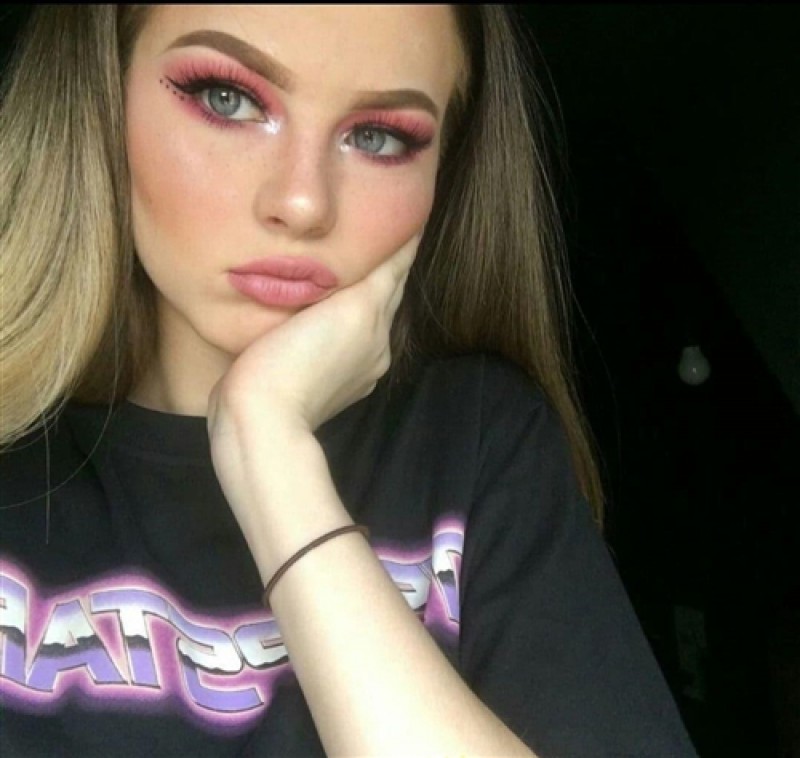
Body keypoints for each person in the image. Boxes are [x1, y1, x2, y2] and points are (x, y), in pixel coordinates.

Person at [0, 5, 696, 756]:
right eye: (227, 98)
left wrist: (268, 445)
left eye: (378, 137)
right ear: (99, 98)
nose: (303, 203)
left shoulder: (477, 438)